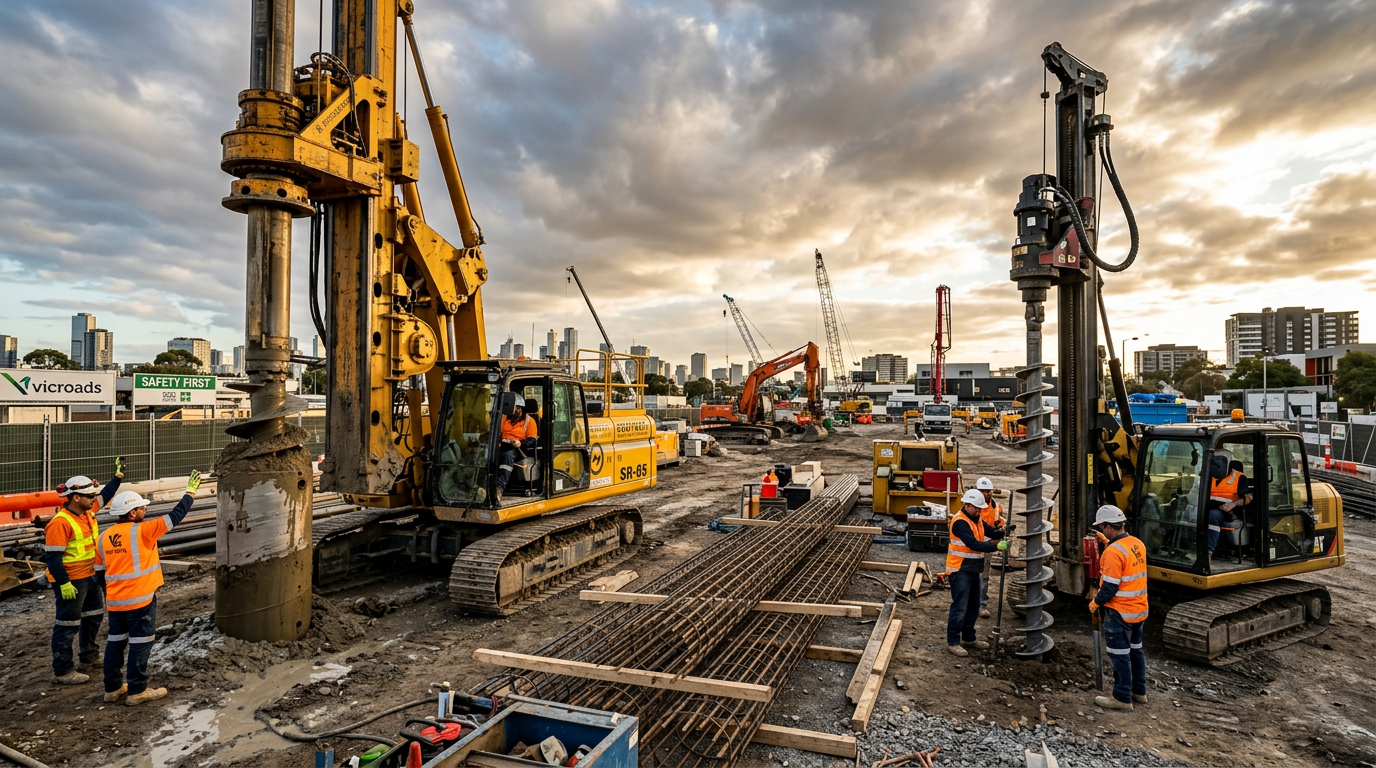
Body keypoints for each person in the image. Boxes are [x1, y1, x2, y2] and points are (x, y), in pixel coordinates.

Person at [94, 470, 199, 705]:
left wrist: (110, 594)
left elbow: (99, 573)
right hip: (141, 600)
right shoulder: (144, 531)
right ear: (131, 512)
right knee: (140, 643)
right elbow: (176, 516)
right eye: (142, 508)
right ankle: (137, 690)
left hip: (115, 602)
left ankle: (111, 689)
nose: (145, 511)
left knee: (115, 642)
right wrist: (190, 493)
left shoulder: (103, 537)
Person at [44, 459, 124, 685]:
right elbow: (53, 557)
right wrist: (63, 583)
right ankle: (63, 670)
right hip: (71, 580)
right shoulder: (61, 523)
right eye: (89, 496)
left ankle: (88, 657)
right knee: (67, 624)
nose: (93, 499)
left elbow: (104, 496)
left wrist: (117, 478)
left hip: (90, 575)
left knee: (93, 616)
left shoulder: (88, 512)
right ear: (75, 497)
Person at [1088, 504, 1148, 711]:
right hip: (1138, 609)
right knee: (1135, 651)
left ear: (1106, 526)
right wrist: (1107, 542)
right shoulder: (1136, 543)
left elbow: (1110, 588)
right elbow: (1124, 561)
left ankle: (1122, 698)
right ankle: (1139, 692)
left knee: (1119, 654)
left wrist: (1094, 604)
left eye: (1102, 528)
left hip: (1120, 611)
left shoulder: (1113, 552)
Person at [946, 488, 1007, 656]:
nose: (980, 510)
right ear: (967, 505)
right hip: (960, 570)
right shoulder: (960, 522)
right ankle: (953, 642)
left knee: (973, 605)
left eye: (981, 508)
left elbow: (991, 531)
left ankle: (969, 638)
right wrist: (995, 546)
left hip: (972, 569)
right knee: (960, 607)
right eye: (977, 508)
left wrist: (1002, 533)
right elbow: (973, 544)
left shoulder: (976, 519)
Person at [1206, 452, 1252, 559]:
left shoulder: (1239, 477)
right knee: (1187, 511)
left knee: (1212, 516)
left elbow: (1248, 497)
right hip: (1206, 507)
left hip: (1228, 512)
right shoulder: (1207, 475)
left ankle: (1208, 551)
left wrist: (1233, 504)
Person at [495, 396, 538, 502]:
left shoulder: (530, 421)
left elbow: (533, 439)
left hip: (518, 449)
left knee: (507, 456)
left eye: (519, 408)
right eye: (515, 408)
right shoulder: (504, 418)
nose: (516, 410)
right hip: (502, 445)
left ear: (522, 409)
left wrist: (520, 443)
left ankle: (499, 489)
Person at [974, 477, 1006, 618]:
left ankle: (982, 603)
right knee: (971, 572)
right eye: (984, 491)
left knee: (984, 575)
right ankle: (973, 602)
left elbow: (999, 523)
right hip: (974, 542)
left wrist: (1003, 530)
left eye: (988, 491)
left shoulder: (996, 507)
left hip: (989, 542)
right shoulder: (973, 506)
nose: (987, 494)